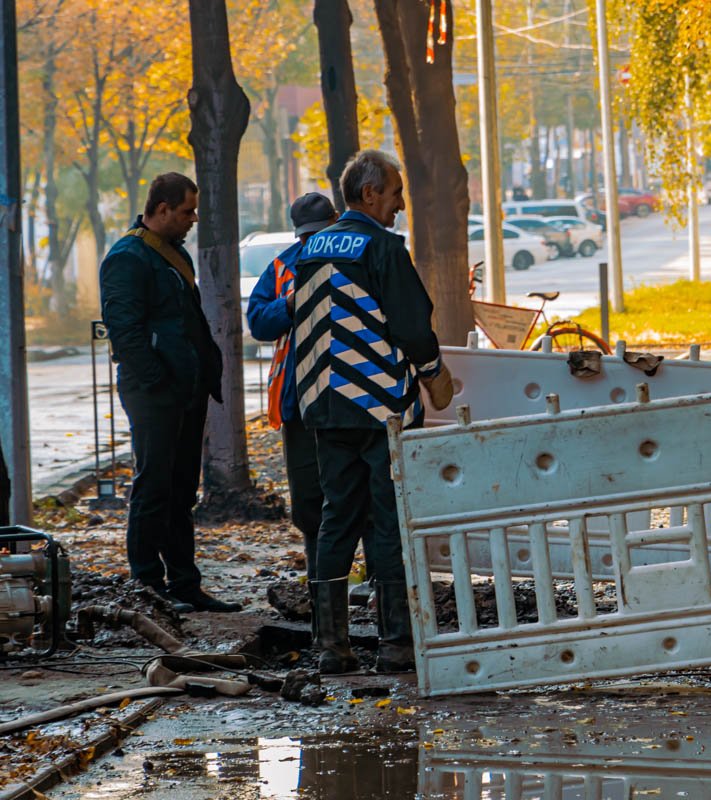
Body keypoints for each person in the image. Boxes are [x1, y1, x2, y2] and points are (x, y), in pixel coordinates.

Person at [293, 149, 454, 674]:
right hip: (380, 404)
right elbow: (411, 323)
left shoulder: (310, 250)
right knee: (388, 518)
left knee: (336, 517)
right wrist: (432, 371)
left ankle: (331, 647)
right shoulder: (383, 248)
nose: (400, 205)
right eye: (394, 194)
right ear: (369, 194)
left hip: (324, 405)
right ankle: (395, 644)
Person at [99, 172, 241, 614]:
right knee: (154, 487)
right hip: (154, 393)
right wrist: (159, 381)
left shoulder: (174, 254)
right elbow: (125, 333)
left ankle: (185, 584)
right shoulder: (127, 257)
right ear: (161, 209)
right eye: (186, 211)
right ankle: (146, 585)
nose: (193, 219)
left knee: (181, 492)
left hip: (186, 391)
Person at [245, 193, 338, 607]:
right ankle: (323, 590)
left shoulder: (352, 259)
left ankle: (366, 584)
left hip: (343, 398)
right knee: (311, 502)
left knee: (354, 499)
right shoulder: (283, 267)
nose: (312, 242)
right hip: (302, 401)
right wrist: (289, 303)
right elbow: (259, 321)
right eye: (307, 236)